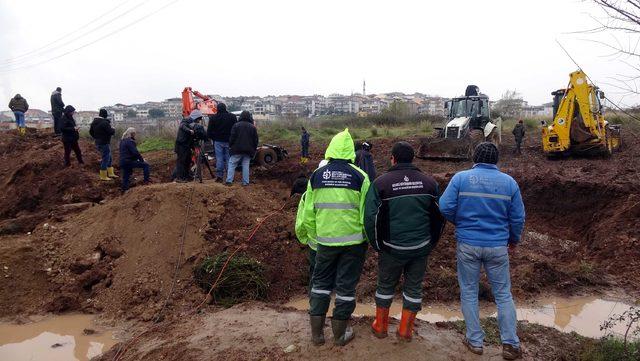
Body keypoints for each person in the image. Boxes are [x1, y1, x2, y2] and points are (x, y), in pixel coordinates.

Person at [439, 142, 525, 360]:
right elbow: (517, 218)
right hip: (497, 246)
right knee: (503, 294)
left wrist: (461, 223)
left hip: (468, 244)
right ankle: (510, 344)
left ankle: (475, 341)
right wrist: (513, 240)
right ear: (496, 159)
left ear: (474, 157)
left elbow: (445, 206)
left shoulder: (461, 178)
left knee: (469, 292)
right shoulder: (509, 183)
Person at [295, 128, 370, 347]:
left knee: (320, 284)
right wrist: (366, 238)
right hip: (354, 244)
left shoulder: (317, 176)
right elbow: (367, 214)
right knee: (346, 287)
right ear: (350, 152)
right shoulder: (360, 177)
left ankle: (317, 335)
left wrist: (314, 238)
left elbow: (308, 213)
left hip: (325, 242)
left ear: (331, 148)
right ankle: (339, 335)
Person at [364, 141, 445, 341]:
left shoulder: (380, 184)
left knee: (385, 286)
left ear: (393, 158)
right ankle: (405, 331)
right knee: (414, 288)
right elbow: (439, 217)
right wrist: (431, 243)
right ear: (413, 159)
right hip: (420, 248)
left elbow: (370, 218)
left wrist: (377, 245)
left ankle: (381, 327)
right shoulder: (429, 183)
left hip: (391, 248)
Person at [226, 111, 258, 186]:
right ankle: (245, 182)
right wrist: (254, 149)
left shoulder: (236, 125)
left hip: (236, 149)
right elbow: (255, 140)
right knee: (246, 165)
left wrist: (230, 145)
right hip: (248, 150)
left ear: (241, 116)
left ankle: (229, 181)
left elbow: (232, 137)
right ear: (249, 117)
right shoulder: (252, 127)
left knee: (232, 163)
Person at [207, 102, 237, 182]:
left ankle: (219, 177)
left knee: (219, 158)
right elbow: (235, 129)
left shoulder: (213, 118)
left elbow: (209, 132)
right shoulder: (232, 117)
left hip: (218, 141)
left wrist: (214, 138)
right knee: (228, 159)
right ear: (225, 108)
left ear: (217, 109)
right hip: (229, 141)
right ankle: (229, 177)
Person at [119, 128, 150, 192]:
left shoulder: (122, 141)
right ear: (132, 134)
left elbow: (126, 153)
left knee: (126, 175)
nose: (135, 135)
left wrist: (136, 159)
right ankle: (146, 182)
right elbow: (135, 152)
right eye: (134, 133)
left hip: (123, 162)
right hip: (128, 161)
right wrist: (141, 160)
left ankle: (125, 189)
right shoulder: (130, 141)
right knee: (146, 165)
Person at [89, 109, 117, 181]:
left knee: (109, 157)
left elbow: (90, 132)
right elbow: (111, 132)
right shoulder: (105, 123)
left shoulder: (94, 122)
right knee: (106, 158)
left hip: (98, 142)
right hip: (104, 143)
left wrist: (96, 137)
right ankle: (103, 176)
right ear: (105, 115)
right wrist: (113, 129)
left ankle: (110, 173)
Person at [174, 110, 198, 182]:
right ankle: (180, 178)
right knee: (181, 162)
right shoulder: (186, 120)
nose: (199, 121)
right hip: (181, 145)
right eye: (198, 119)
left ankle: (187, 176)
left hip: (187, 146)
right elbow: (182, 126)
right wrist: (189, 131)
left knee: (188, 161)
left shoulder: (192, 123)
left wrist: (193, 147)